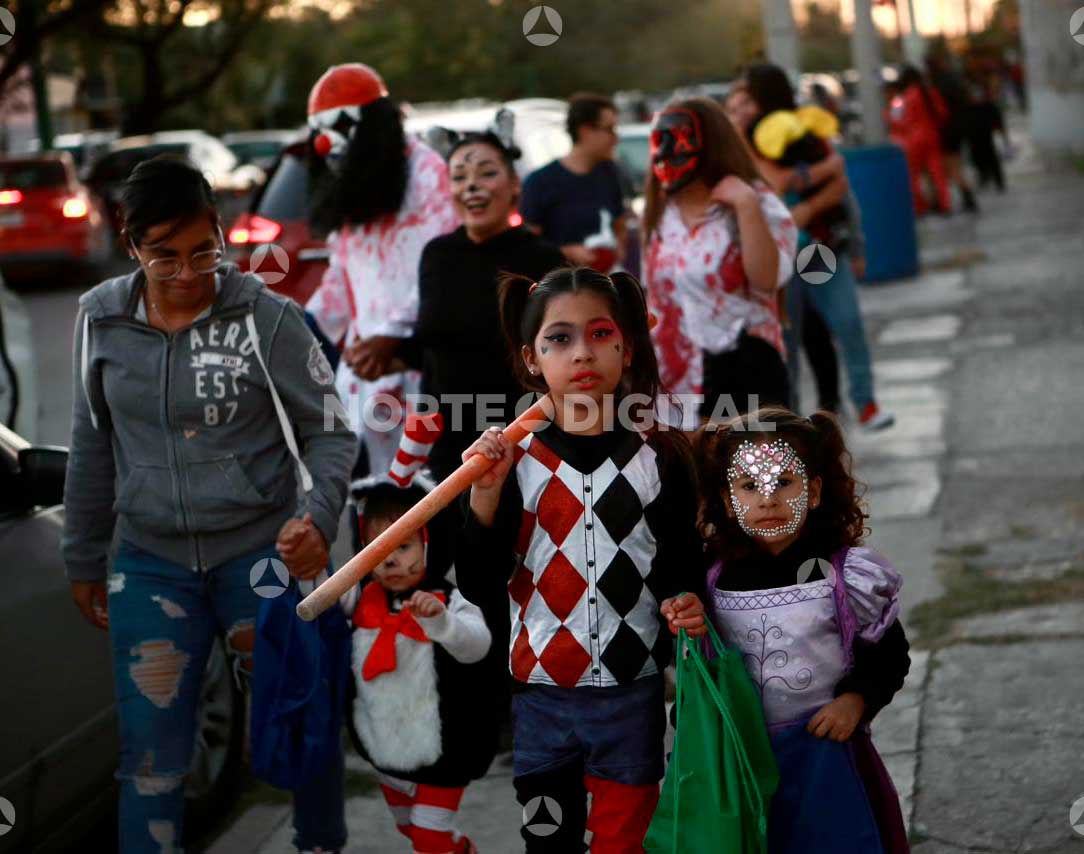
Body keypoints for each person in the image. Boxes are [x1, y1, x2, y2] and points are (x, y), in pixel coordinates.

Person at [62, 156, 357, 853]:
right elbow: (91, 445)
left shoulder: (266, 316)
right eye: (163, 256)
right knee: (151, 759)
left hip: (259, 560)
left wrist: (315, 518)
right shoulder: (99, 320)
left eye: (204, 252)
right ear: (130, 245)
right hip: (149, 565)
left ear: (221, 234)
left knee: (301, 728)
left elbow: (330, 434)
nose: (188, 274)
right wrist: (82, 554)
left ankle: (320, 843)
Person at [456, 266, 709, 852]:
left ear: (627, 344)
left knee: (625, 838)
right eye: (559, 340)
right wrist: (485, 493)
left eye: (600, 334)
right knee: (548, 837)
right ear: (531, 358)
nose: (582, 353)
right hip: (541, 694)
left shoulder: (660, 454)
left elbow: (680, 563)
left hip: (634, 690)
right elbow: (477, 580)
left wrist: (687, 604)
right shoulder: (511, 458)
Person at [695, 406, 911, 853]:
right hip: (741, 760)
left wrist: (856, 700)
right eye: (750, 486)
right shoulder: (711, 578)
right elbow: (701, 671)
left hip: (826, 754)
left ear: (813, 491)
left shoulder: (845, 575)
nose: (768, 499)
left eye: (784, 483)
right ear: (728, 497)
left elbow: (889, 653)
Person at [341, 416, 496, 854]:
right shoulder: (359, 598)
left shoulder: (447, 597)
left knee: (428, 838)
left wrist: (442, 624)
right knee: (411, 830)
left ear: (429, 543)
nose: (391, 561)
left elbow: (477, 646)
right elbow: (314, 597)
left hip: (444, 748)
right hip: (384, 742)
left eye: (403, 546)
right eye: (379, 549)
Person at [305, 62, 459, 478]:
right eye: (317, 129)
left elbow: (441, 265)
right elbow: (343, 275)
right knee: (370, 507)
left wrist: (391, 335)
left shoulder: (429, 174)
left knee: (424, 501)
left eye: (337, 126)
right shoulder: (357, 188)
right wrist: (303, 329)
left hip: (419, 370)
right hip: (363, 375)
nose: (323, 143)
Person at [739, 65, 895, 431]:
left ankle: (866, 403)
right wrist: (814, 179)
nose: (743, 106)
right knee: (786, 345)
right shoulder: (744, 138)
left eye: (748, 97)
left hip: (815, 251)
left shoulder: (808, 127)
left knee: (847, 323)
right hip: (776, 257)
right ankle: (788, 419)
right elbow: (774, 180)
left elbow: (841, 182)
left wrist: (850, 241)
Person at [413, 109, 566, 480]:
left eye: (486, 173)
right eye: (459, 176)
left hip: (524, 441)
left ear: (515, 185)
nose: (472, 186)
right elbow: (431, 353)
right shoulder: (437, 254)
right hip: (449, 445)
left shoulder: (542, 258)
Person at [642, 96, 797, 424]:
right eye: (660, 141)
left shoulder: (754, 200)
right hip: (676, 384)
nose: (668, 152)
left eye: (680, 140)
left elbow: (766, 280)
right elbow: (654, 301)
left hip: (745, 375)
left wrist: (746, 205)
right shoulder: (659, 214)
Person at [520, 93, 628, 273]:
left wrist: (617, 254)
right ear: (585, 130)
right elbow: (527, 247)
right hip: (559, 291)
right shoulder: (540, 182)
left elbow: (619, 225)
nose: (615, 138)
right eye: (609, 129)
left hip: (603, 286)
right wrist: (567, 252)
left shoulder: (609, 173)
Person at [890, 65, 952, 216]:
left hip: (912, 139)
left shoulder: (902, 98)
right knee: (937, 173)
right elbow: (942, 114)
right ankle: (945, 204)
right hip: (932, 136)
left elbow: (895, 119)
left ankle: (920, 207)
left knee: (913, 176)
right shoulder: (930, 92)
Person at [925, 52, 979, 213]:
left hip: (946, 130)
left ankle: (962, 196)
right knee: (955, 164)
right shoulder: (952, 80)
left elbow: (938, 112)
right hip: (958, 128)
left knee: (949, 166)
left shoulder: (935, 86)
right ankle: (962, 194)